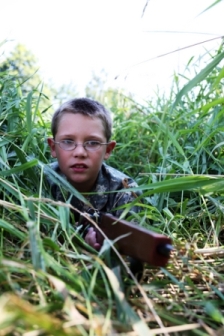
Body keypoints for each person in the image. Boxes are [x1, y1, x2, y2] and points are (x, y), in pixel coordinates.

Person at [47, 97, 142, 251]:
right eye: (68, 141)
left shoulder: (124, 190)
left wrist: (104, 246)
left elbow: (129, 242)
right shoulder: (38, 181)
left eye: (92, 143)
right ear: (53, 147)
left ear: (108, 150)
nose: (80, 152)